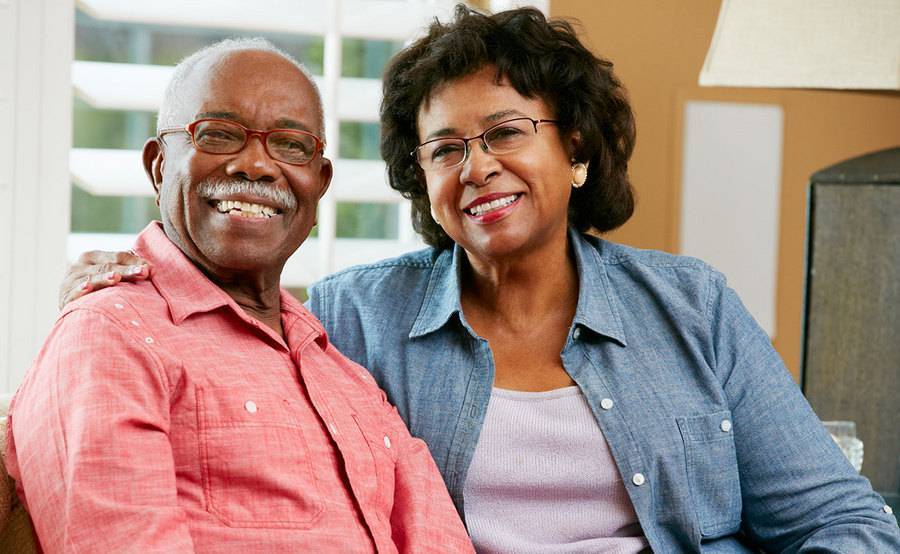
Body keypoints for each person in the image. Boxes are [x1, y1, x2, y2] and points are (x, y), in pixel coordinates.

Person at [57, 6, 900, 553]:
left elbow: (841, 523)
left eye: (507, 133)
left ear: (575, 149)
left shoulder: (692, 306)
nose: (479, 168)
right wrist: (115, 288)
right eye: (447, 149)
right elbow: (226, 343)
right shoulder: (353, 317)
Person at [5, 38, 473, 553]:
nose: (254, 165)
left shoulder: (343, 370)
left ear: (318, 184)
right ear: (159, 167)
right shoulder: (111, 335)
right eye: (219, 135)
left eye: (291, 144)